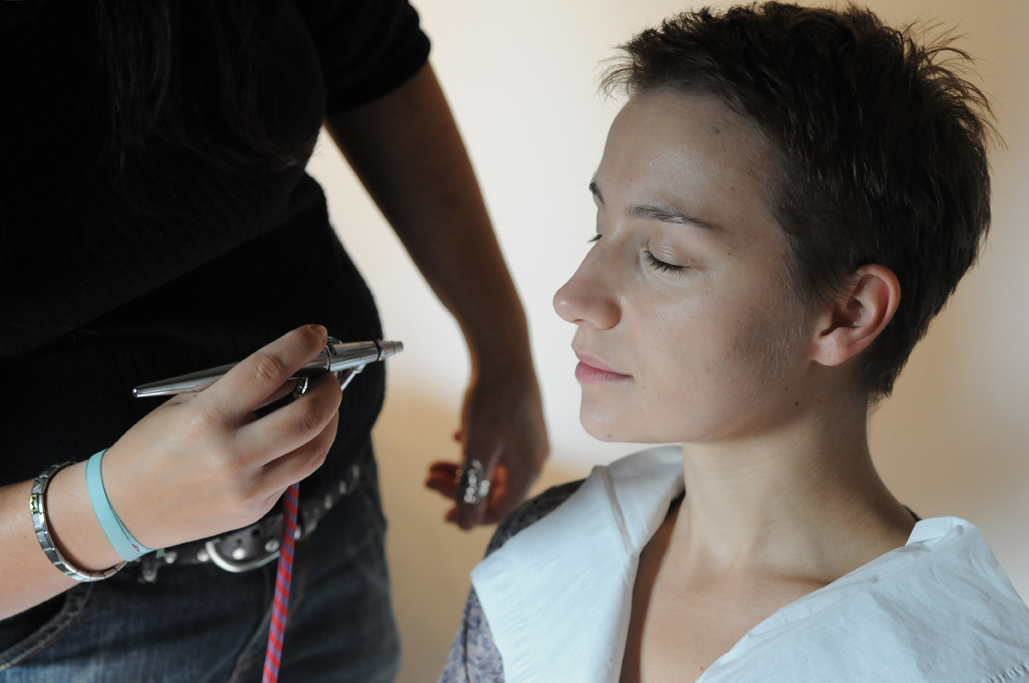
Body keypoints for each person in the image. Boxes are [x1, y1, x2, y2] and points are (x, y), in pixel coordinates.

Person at [437, 3, 1029, 682]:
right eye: (598, 231)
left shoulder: (953, 661)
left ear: (846, 313)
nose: (572, 296)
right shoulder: (546, 544)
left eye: (662, 255)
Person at [0, 0, 547, 681]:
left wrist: (503, 348)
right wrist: (110, 512)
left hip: (331, 534)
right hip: (62, 628)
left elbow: (369, 49)